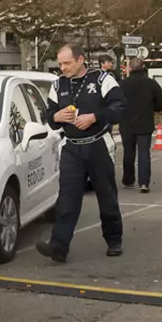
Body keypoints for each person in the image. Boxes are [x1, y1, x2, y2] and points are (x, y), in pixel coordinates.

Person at [36, 43, 127, 263]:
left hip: (98, 145)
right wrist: (56, 117)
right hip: (72, 146)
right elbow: (49, 115)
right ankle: (59, 246)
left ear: (80, 60)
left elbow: (120, 107)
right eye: (60, 64)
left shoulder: (102, 80)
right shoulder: (59, 85)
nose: (63, 68)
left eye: (67, 63)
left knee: (106, 196)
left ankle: (114, 240)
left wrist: (94, 117)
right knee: (67, 198)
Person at [118, 57, 162, 193]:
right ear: (143, 67)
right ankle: (144, 182)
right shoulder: (151, 84)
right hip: (145, 122)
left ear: (130, 68)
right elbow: (160, 100)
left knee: (128, 152)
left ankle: (128, 179)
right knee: (144, 153)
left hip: (126, 122)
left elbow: (116, 101)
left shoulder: (123, 84)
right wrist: (154, 108)